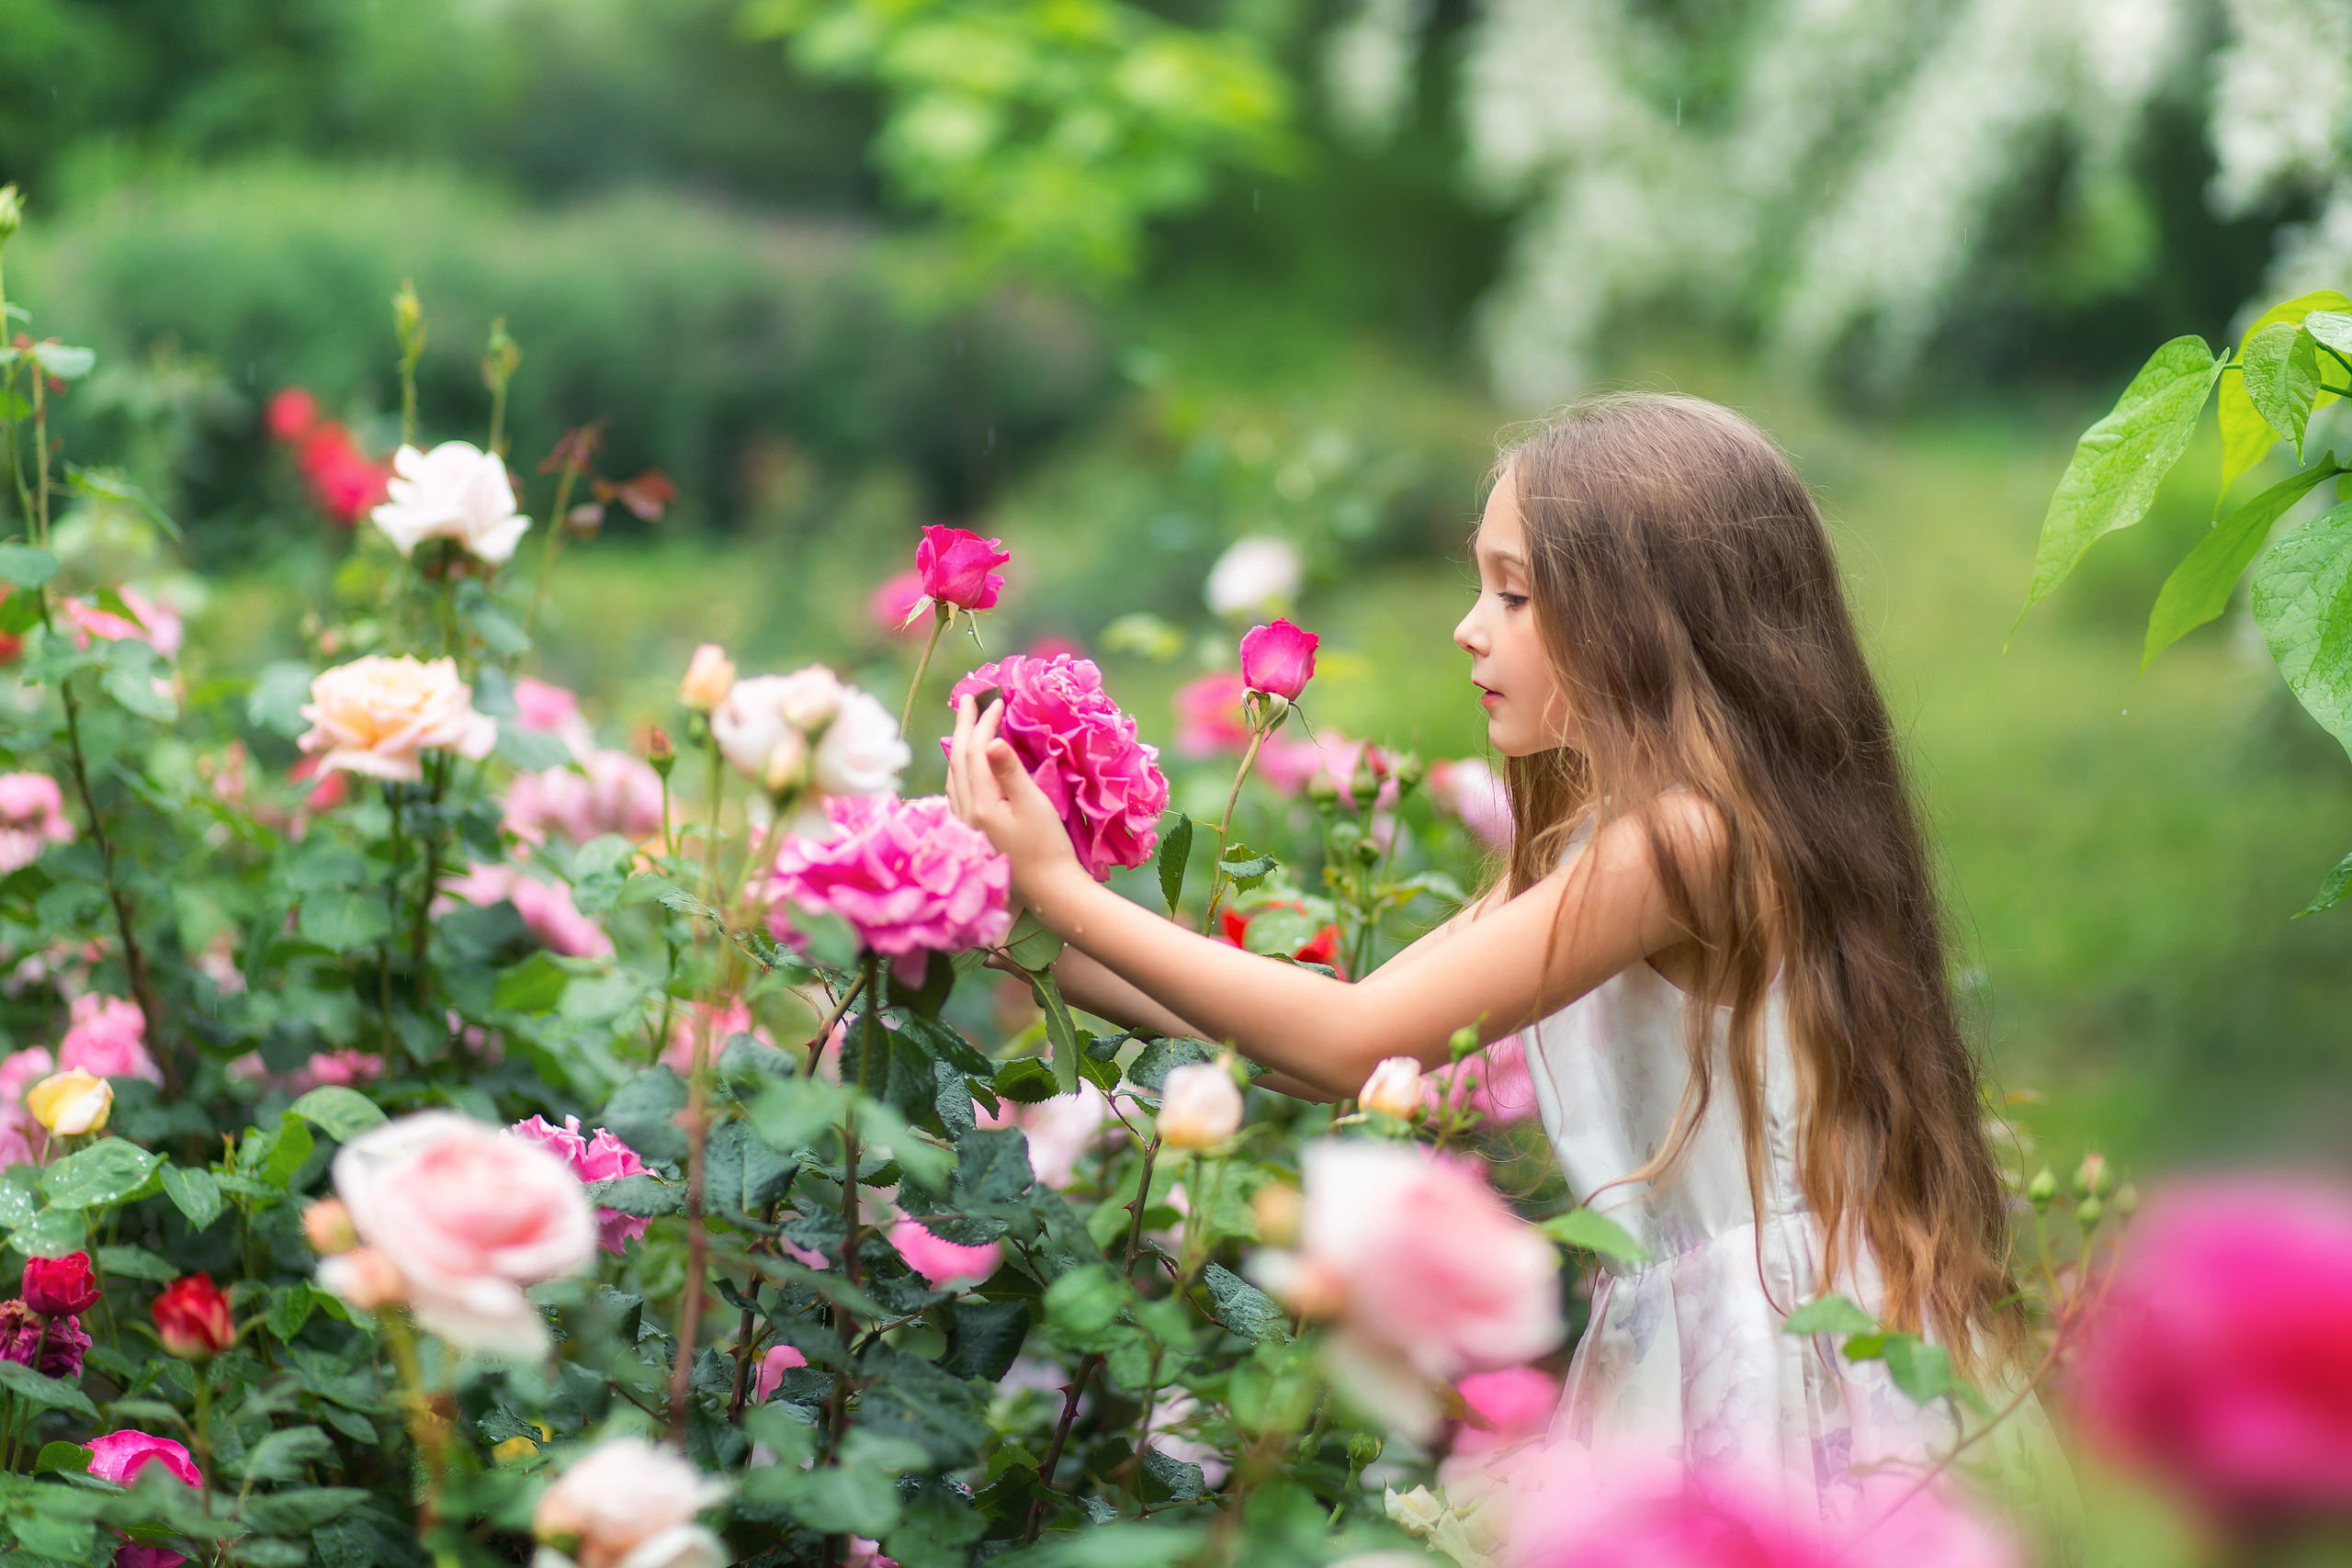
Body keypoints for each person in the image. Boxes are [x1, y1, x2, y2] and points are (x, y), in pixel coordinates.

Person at [946, 392, 2052, 1519]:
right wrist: (1029, 942)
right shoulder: (1617, 841)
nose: (1471, 626)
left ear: (1647, 619)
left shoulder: (1684, 841)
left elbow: (1348, 1045)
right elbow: (1348, 1024)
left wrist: (1064, 892)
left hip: (1771, 1358)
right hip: (1720, 1332)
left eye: (1515, 593)